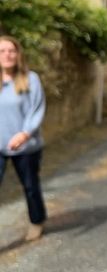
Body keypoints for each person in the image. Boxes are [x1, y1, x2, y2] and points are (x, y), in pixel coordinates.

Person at [0, 35, 47, 241]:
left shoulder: (30, 78)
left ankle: (37, 221)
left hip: (26, 147)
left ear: (18, 54)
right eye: (2, 51)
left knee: (30, 187)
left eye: (11, 50)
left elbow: (37, 109)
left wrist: (25, 133)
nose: (7, 55)